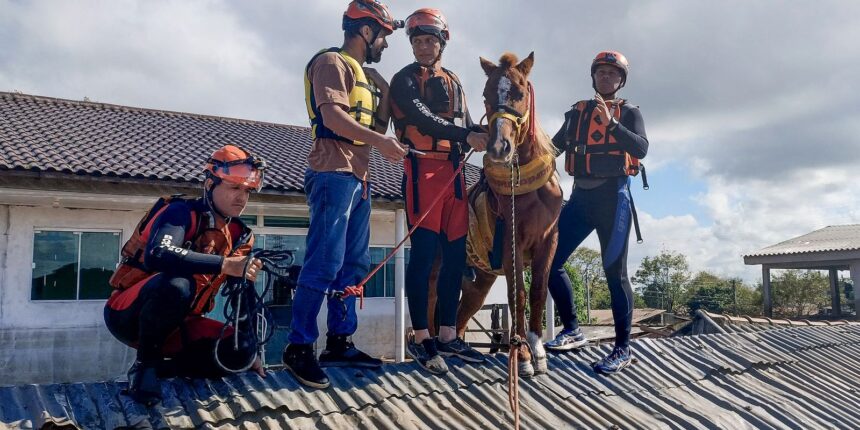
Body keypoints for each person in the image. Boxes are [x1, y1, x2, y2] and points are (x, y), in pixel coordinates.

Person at [283, 0, 408, 389]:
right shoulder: (331, 64)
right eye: (384, 35)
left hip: (360, 177)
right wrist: (382, 143)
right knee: (324, 260)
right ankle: (298, 347)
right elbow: (334, 117)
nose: (385, 45)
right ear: (366, 31)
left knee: (352, 264)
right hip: (331, 172)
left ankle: (339, 341)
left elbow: (385, 117)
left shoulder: (367, 77)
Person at [104, 144, 267, 405]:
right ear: (210, 184)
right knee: (178, 284)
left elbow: (242, 295)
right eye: (234, 188)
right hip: (129, 314)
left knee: (241, 352)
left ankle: (166, 369)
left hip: (183, 323)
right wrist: (225, 264)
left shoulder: (241, 235)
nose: (242, 198)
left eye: (247, 191)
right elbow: (158, 253)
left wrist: (251, 351)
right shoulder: (181, 212)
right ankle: (145, 366)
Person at [388, 8, 489, 375]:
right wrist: (466, 136)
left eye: (430, 40)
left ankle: (448, 335)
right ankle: (421, 337)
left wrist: (492, 132)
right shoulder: (404, 80)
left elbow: (465, 122)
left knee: (454, 257)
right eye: (417, 41)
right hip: (423, 171)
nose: (423, 47)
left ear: (442, 42)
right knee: (424, 257)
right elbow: (421, 118)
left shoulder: (454, 80)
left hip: (456, 173)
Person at [544, 51, 649, 374]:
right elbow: (552, 148)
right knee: (549, 261)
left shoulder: (629, 112)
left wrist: (611, 123)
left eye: (612, 74)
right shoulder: (577, 113)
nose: (606, 78)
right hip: (580, 199)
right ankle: (573, 329)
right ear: (593, 77)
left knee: (615, 275)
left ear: (621, 80)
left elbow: (641, 148)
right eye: (601, 73)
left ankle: (622, 349)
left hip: (613, 199)